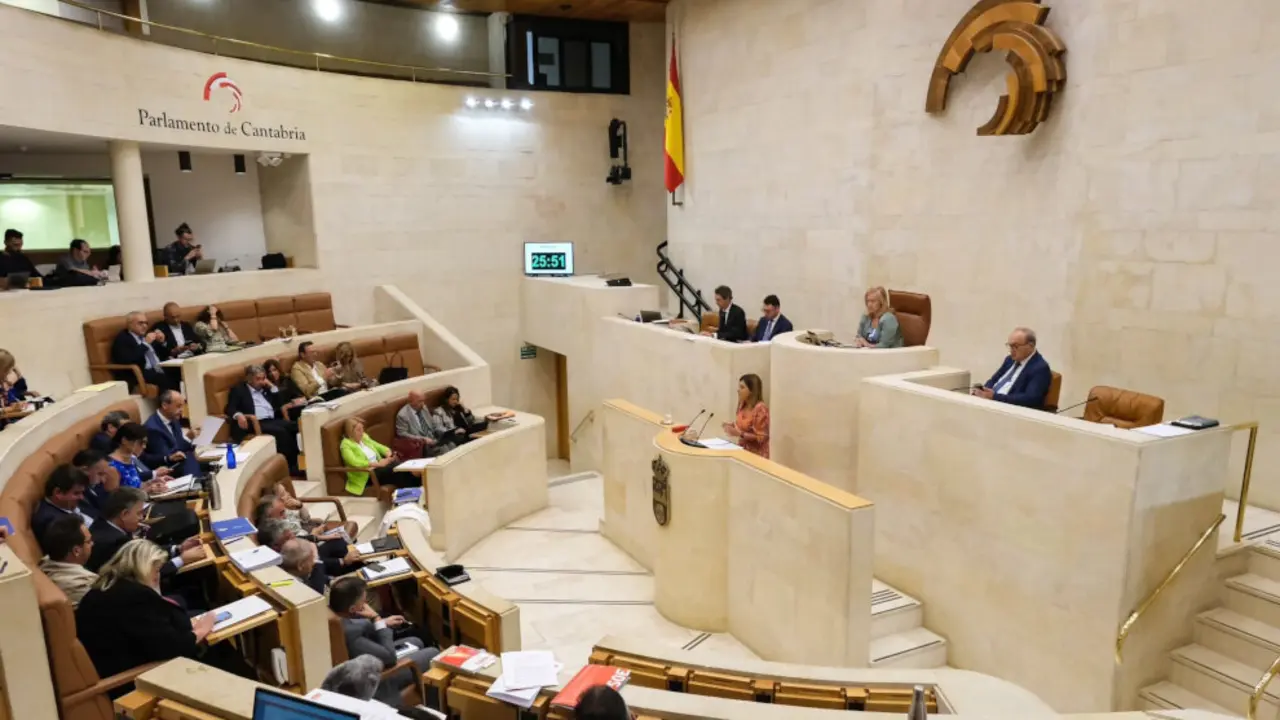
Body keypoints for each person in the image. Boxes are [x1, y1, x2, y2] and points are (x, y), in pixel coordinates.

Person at [75, 539, 253, 690]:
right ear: (145, 568)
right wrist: (201, 629)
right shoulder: (137, 598)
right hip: (135, 678)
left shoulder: (103, 588)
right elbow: (174, 647)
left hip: (119, 661)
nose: (158, 576)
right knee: (222, 651)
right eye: (157, 570)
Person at [329, 576, 438, 706]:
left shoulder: (333, 617)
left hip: (363, 663)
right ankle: (434, 706)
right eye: (363, 603)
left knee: (416, 641)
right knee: (433, 653)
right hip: (376, 682)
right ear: (353, 609)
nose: (366, 606)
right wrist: (377, 619)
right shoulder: (351, 634)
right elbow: (389, 656)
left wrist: (382, 623)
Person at [87, 488, 204, 576]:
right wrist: (182, 559)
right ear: (124, 514)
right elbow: (143, 575)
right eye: (138, 513)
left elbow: (144, 556)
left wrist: (178, 548)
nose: (142, 518)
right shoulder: (113, 542)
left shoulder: (104, 524)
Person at [225, 364, 304, 474]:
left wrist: (272, 387)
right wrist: (239, 415)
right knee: (282, 432)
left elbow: (279, 403)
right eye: (258, 379)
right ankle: (289, 467)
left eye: (263, 378)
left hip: (271, 420)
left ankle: (300, 462)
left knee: (296, 427)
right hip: (254, 422)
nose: (261, 382)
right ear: (249, 379)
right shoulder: (239, 390)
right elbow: (230, 408)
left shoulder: (265, 389)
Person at [973, 327, 1052, 409]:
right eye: (1010, 346)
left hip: (1009, 409)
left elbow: (1030, 399)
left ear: (1030, 346)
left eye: (1015, 346)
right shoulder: (1009, 360)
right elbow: (993, 380)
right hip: (991, 403)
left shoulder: (1040, 368)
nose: (1011, 350)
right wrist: (983, 391)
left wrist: (995, 397)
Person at [341, 417, 416, 495]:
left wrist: (388, 453)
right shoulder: (346, 445)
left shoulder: (364, 437)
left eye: (362, 429)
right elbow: (354, 462)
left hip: (378, 468)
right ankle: (413, 493)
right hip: (367, 475)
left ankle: (415, 491)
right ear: (350, 432)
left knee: (402, 468)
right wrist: (377, 464)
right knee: (396, 470)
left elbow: (378, 446)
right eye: (358, 430)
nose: (362, 432)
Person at [38, 514, 98, 608]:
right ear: (76, 551)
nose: (92, 544)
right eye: (89, 541)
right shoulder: (83, 585)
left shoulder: (45, 563)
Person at [33, 465, 100, 545]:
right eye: (76, 493)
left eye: (81, 492)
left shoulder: (72, 502)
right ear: (58, 493)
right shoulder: (50, 521)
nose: (81, 497)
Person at [110, 311, 175, 393]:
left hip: (158, 367)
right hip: (139, 372)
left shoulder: (145, 335)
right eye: (140, 323)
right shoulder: (123, 339)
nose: (144, 326)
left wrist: (162, 342)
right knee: (162, 378)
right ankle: (168, 404)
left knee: (178, 371)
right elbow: (128, 359)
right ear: (130, 325)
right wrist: (145, 344)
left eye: (146, 323)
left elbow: (164, 354)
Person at [143, 390, 200, 478]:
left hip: (181, 463)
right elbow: (170, 456)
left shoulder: (173, 418)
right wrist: (187, 438)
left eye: (182, 406)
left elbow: (179, 445)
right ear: (165, 405)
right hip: (167, 469)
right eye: (178, 406)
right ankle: (196, 485)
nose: (181, 410)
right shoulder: (152, 428)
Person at [107, 422, 171, 492]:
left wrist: (151, 483)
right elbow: (117, 499)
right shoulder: (111, 466)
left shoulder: (130, 459)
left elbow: (136, 485)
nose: (144, 446)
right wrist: (147, 490)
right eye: (141, 442)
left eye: (145, 443)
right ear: (124, 440)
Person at [723, 373, 770, 459]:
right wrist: (732, 426)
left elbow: (762, 438)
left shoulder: (760, 408)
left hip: (756, 455)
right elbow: (745, 426)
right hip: (742, 451)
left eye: (742, 387)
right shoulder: (742, 405)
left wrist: (740, 434)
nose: (738, 390)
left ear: (752, 391)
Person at [431, 386, 498, 446]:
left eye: (457, 399)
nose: (455, 401)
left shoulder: (457, 409)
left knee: (484, 425)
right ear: (446, 400)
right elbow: (438, 429)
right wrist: (454, 431)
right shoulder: (438, 412)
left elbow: (471, 421)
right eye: (453, 399)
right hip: (452, 436)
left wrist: (464, 409)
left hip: (464, 432)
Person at [394, 390, 453, 459]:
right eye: (420, 401)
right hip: (421, 446)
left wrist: (446, 431)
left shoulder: (423, 408)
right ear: (410, 401)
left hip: (434, 439)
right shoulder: (403, 415)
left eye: (423, 401)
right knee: (444, 450)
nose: (423, 404)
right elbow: (401, 433)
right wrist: (422, 439)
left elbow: (433, 425)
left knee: (452, 444)